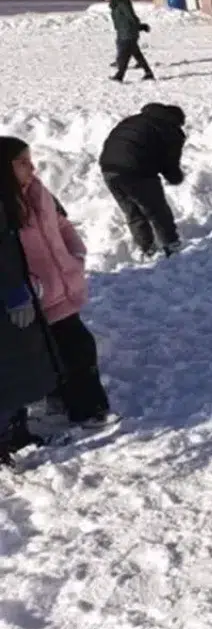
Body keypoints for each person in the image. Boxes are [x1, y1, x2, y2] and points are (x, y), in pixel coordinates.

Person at [2, 137, 112, 429]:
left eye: (30, 159)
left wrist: (75, 251)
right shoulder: (4, 204)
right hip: (29, 298)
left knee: (76, 348)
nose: (32, 167)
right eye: (22, 162)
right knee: (59, 353)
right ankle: (82, 409)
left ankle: (84, 409)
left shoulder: (37, 190)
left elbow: (61, 223)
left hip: (59, 286)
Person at [0, 148, 59, 467]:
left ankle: (17, 432)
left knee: (19, 366)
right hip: (6, 294)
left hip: (13, 290)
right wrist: (11, 290)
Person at [98, 103, 187, 259]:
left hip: (109, 168)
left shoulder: (135, 120)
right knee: (157, 210)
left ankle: (147, 248)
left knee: (132, 211)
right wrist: (175, 178)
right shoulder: (170, 130)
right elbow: (170, 162)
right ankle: (171, 245)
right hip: (136, 170)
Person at [105, 0, 154, 83]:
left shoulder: (122, 2)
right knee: (136, 53)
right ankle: (148, 73)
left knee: (124, 54)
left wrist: (139, 26)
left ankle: (120, 75)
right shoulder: (116, 3)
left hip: (128, 32)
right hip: (123, 31)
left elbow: (130, 16)